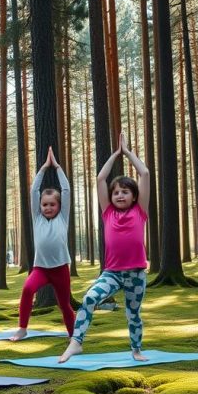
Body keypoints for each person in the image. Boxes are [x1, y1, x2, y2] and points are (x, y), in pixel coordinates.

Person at [60, 134, 150, 363]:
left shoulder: (140, 212)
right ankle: (76, 343)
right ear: (111, 197)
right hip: (112, 273)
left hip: (136, 274)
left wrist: (128, 153)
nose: (120, 195)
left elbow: (145, 174)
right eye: (116, 192)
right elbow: (100, 178)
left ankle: (136, 349)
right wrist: (114, 154)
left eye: (125, 192)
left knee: (133, 314)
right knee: (90, 298)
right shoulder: (108, 213)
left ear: (134, 196)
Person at [9, 147, 77, 342]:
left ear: (59, 206)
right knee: (28, 289)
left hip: (61, 269)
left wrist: (56, 167)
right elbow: (33, 191)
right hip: (41, 269)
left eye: (52, 204)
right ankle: (22, 328)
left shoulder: (63, 218)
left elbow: (66, 190)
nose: (48, 207)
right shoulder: (37, 218)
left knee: (64, 304)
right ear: (39, 206)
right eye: (44, 204)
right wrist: (43, 168)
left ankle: (73, 335)